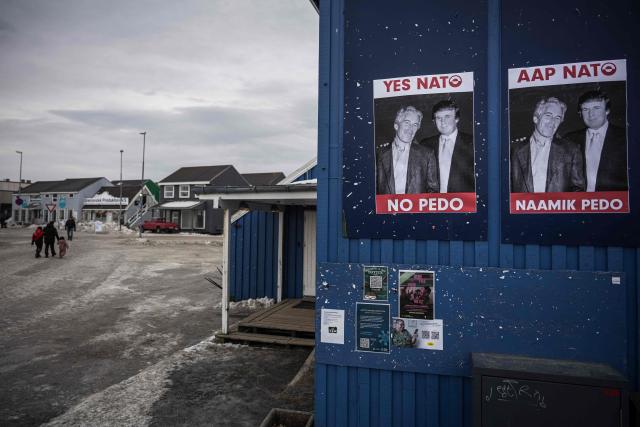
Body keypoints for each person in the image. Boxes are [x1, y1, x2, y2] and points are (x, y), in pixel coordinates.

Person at [511, 97, 585, 193]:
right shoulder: (513, 150)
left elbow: (578, 191)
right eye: (548, 115)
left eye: (557, 118)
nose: (553, 122)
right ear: (536, 118)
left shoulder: (572, 151)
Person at [564, 90, 628, 192]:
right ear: (580, 113)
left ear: (607, 111)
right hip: (579, 203)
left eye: (596, 108)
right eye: (585, 109)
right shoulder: (569, 139)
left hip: (613, 203)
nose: (591, 114)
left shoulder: (626, 137)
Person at [376, 106, 438, 195]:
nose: (411, 129)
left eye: (415, 125)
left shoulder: (427, 155)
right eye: (407, 123)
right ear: (396, 125)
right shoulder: (378, 154)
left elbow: (433, 191)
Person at [420, 99, 475, 193]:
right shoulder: (425, 144)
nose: (443, 122)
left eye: (447, 117)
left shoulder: (473, 143)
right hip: (435, 204)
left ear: (457, 119)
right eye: (438, 118)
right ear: (434, 121)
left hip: (465, 204)